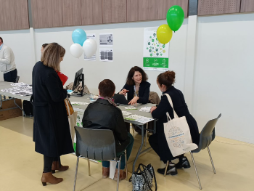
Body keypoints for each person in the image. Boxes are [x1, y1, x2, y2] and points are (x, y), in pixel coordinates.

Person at [32, 43, 74, 186]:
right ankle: (46, 174)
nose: (62, 60)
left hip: (41, 109)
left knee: (53, 137)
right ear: (55, 56)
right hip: (50, 112)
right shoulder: (49, 73)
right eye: (61, 57)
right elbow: (56, 96)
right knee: (50, 140)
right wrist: (66, 91)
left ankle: (56, 164)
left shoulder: (38, 66)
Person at [149, 71, 200, 176]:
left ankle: (170, 165)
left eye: (158, 85)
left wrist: (154, 109)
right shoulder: (178, 92)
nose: (158, 87)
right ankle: (182, 159)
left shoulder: (166, 96)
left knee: (154, 139)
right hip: (190, 127)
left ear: (163, 86)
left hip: (181, 130)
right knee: (173, 136)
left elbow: (156, 115)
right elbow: (172, 108)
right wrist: (159, 108)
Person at [82, 79, 134, 180]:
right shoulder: (115, 111)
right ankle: (119, 172)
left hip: (88, 147)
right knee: (128, 138)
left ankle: (105, 170)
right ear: (113, 93)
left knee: (101, 136)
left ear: (99, 91)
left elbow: (85, 126)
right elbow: (123, 136)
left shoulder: (90, 106)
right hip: (109, 149)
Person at [119, 66, 150, 133]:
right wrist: (120, 93)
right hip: (131, 109)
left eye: (140, 75)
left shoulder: (146, 85)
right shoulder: (128, 85)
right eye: (136, 75)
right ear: (132, 77)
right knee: (122, 118)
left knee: (141, 132)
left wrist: (137, 98)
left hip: (141, 110)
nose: (139, 77)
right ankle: (126, 134)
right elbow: (118, 96)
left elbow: (145, 100)